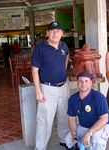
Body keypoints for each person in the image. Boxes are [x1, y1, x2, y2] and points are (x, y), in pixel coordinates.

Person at [31, 21, 70, 150]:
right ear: (47, 33)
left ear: (61, 33)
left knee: (64, 116)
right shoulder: (40, 48)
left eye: (58, 31)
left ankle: (64, 139)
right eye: (52, 31)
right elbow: (34, 70)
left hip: (63, 87)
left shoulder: (64, 46)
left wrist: (62, 69)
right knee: (45, 121)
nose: (55, 33)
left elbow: (67, 55)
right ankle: (40, 147)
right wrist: (38, 91)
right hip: (47, 89)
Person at [64, 72, 109, 150]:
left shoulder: (98, 97)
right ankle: (85, 146)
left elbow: (104, 119)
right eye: (80, 81)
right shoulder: (73, 99)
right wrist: (74, 134)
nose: (83, 83)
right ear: (77, 83)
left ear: (91, 83)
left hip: (103, 125)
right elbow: (72, 118)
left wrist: (88, 133)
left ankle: (91, 145)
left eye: (86, 81)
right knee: (68, 140)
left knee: (97, 140)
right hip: (85, 126)